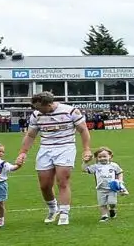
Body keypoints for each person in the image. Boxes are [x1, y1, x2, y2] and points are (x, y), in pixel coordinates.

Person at [14, 91, 92, 226]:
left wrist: (86, 149)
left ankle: (64, 213)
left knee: (62, 181)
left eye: (39, 107)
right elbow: (31, 135)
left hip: (65, 148)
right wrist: (23, 152)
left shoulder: (71, 111)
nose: (36, 110)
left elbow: (83, 130)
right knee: (44, 185)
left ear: (49, 104)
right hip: (45, 149)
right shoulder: (36, 115)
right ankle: (53, 208)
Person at [84, 146, 127, 221]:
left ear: (110, 156)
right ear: (97, 158)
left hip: (111, 189)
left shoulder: (114, 165)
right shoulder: (96, 167)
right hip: (100, 189)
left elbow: (120, 172)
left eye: (104, 156)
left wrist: (120, 181)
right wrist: (85, 162)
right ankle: (104, 216)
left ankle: (112, 209)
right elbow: (85, 170)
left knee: (112, 203)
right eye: (100, 157)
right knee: (102, 204)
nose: (102, 158)